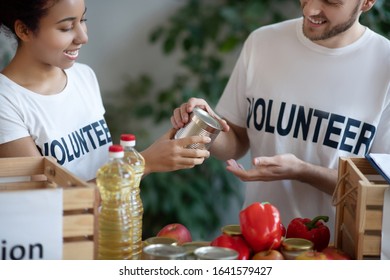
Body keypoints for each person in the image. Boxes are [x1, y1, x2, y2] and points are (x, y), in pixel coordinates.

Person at [171, 0, 390, 236]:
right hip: (260, 241)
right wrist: (207, 126)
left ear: (367, 2)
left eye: (331, 1)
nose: (309, 10)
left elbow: (377, 187)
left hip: (339, 252)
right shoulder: (262, 42)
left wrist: (303, 171)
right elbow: (236, 142)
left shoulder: (384, 65)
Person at [0, 0, 211, 182]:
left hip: (109, 225)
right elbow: (47, 201)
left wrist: (162, 150)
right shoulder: (6, 101)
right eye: (66, 27)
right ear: (24, 30)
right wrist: (144, 163)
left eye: (82, 20)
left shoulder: (84, 76)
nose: (83, 37)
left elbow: (105, 175)